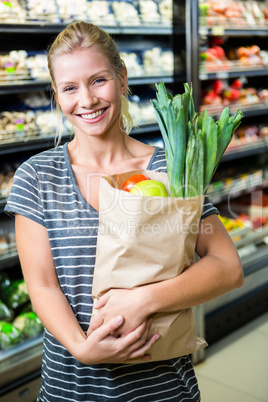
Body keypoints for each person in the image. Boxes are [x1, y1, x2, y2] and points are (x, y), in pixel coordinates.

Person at [5, 22, 244, 401]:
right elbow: (43, 285)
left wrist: (143, 300)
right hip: (72, 387)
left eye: (98, 80)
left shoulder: (171, 166)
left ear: (122, 78)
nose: (86, 100)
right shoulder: (38, 176)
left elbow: (227, 266)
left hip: (163, 387)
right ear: (57, 94)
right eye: (70, 87)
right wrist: (82, 348)